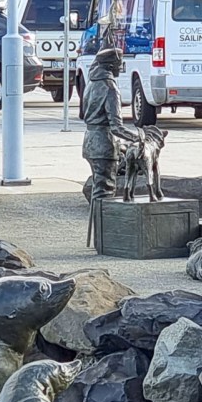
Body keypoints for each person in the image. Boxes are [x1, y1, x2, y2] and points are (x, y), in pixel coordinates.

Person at [82, 46, 138, 249]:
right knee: (105, 193)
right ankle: (105, 240)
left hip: (90, 141)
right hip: (104, 144)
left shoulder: (91, 82)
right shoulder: (110, 87)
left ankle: (99, 238)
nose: (121, 67)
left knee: (98, 190)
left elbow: (83, 114)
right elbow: (116, 126)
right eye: (119, 64)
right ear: (112, 65)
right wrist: (138, 137)